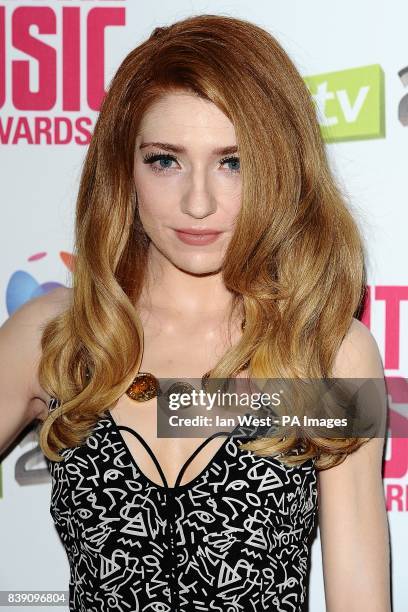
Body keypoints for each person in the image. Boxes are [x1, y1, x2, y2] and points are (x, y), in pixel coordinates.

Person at [0, 13, 391, 612]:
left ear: (279, 170)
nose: (199, 201)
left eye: (232, 162)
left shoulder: (325, 352)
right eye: (166, 160)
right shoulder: (58, 337)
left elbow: (360, 600)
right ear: (123, 170)